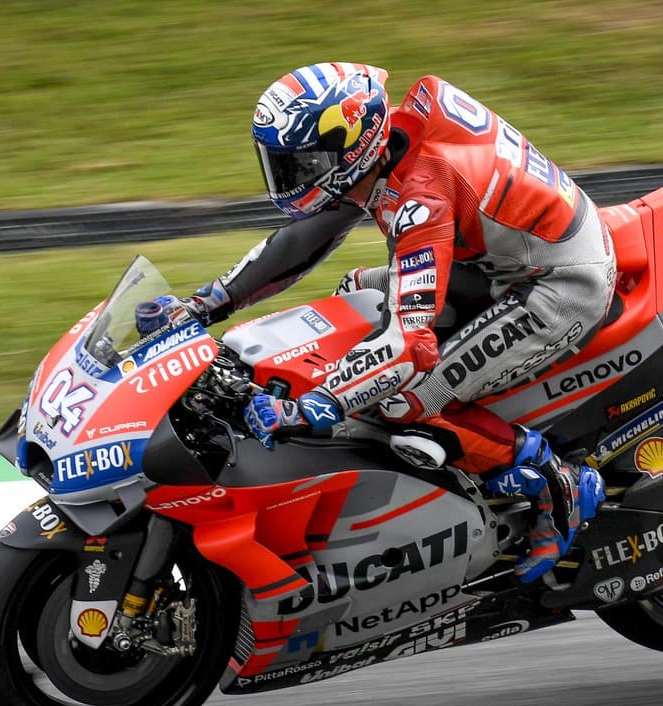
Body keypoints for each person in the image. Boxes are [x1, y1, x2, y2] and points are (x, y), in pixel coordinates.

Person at [180, 62, 612, 583]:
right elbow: (304, 240)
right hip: (492, 260)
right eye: (281, 162)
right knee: (354, 293)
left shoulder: (422, 194)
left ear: (349, 148)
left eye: (301, 162)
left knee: (400, 397)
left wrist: (319, 402)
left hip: (555, 282)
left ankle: (552, 479)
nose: (288, 176)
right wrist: (207, 304)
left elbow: (410, 347)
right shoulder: (387, 148)